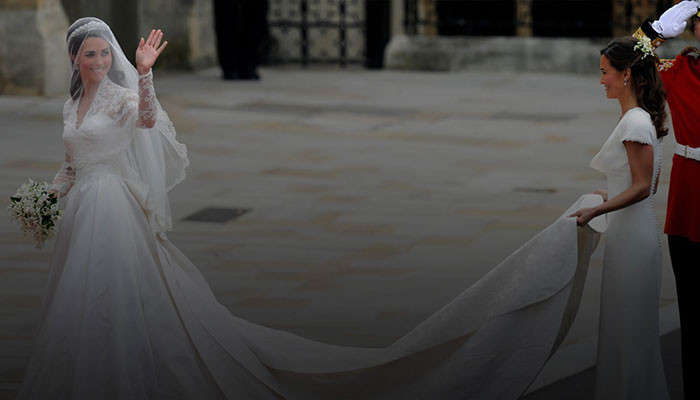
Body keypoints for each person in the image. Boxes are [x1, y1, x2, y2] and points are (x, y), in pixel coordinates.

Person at [18, 16, 607, 400]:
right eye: (90, 55)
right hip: (83, 210)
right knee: (78, 297)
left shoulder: (122, 98)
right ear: (75, 60)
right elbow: (72, 164)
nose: (100, 61)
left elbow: (147, 121)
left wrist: (145, 75)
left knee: (115, 295)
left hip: (116, 214)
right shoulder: (73, 106)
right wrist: (45, 197)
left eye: (105, 53)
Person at [569, 36, 669, 399]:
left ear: (626, 74)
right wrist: (608, 194)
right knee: (623, 327)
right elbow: (643, 185)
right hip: (628, 235)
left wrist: (598, 209)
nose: (601, 81)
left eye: (605, 72)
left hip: (633, 242)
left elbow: (643, 187)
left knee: (630, 330)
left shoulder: (635, 123)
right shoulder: (637, 119)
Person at [628, 2, 700, 398]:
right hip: (689, 200)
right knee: (691, 310)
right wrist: (652, 32)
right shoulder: (682, 69)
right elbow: (627, 62)